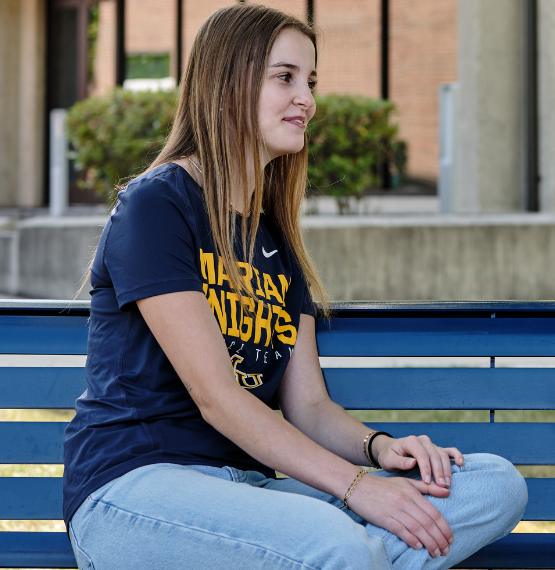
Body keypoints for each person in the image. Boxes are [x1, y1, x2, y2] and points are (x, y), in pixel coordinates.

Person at [61, 5, 526, 569]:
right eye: (285, 77)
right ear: (226, 84)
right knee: (337, 544)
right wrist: (357, 486)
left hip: (249, 492)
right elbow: (218, 398)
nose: (306, 99)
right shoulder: (158, 205)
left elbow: (309, 406)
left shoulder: (276, 240)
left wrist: (380, 449)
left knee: (492, 485)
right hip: (135, 491)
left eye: (310, 81)